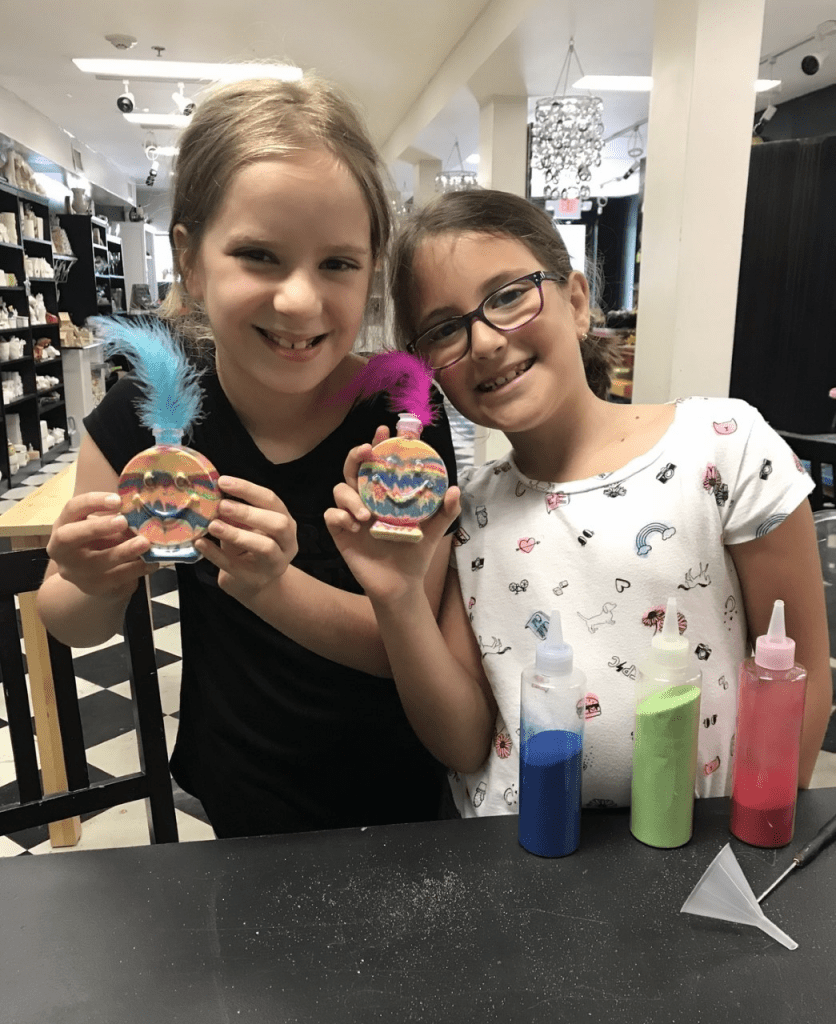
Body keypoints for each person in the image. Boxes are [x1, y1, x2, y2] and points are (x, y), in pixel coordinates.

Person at [36, 73, 458, 839]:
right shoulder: (146, 418)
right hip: (234, 798)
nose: (299, 301)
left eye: (338, 264)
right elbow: (69, 618)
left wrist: (272, 586)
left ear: (372, 271)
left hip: (401, 808)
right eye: (260, 255)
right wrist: (94, 577)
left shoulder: (400, 428)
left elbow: (406, 645)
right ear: (191, 264)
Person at [325, 188, 831, 819]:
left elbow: (799, 674)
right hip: (517, 862)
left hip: (695, 849)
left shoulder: (724, 444)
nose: (483, 342)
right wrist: (398, 599)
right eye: (446, 329)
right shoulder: (465, 513)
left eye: (509, 294)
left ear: (575, 299)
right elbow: (462, 742)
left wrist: (769, 825)